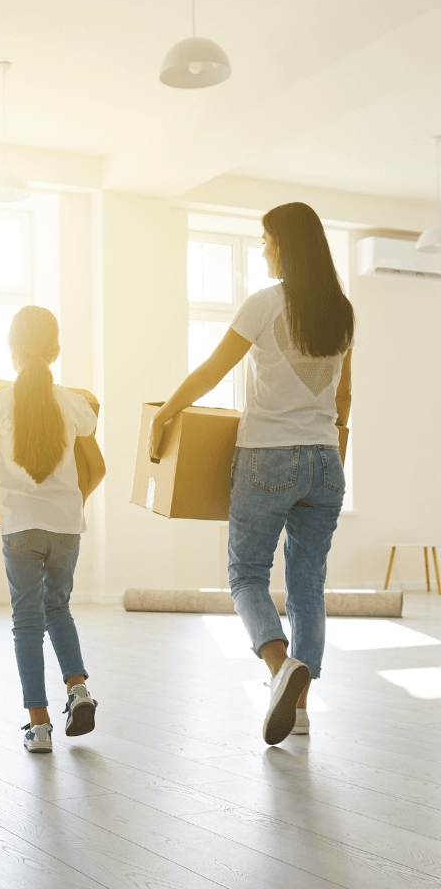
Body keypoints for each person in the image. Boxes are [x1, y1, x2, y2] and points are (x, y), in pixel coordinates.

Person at [148, 202, 354, 746]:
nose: (263, 249)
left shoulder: (265, 304)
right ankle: (301, 709)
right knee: (308, 585)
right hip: (325, 460)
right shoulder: (341, 310)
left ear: (285, 244)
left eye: (265, 240)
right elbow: (344, 398)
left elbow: (213, 371)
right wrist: (332, 457)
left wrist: (166, 413)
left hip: (269, 457)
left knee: (246, 575)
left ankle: (279, 666)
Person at [0, 306, 105, 753]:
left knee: (27, 624)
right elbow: (98, 467)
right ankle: (79, 689)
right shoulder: (73, 403)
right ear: (56, 349)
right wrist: (74, 503)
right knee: (59, 608)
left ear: (11, 350)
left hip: (20, 529)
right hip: (66, 529)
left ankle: (40, 726)